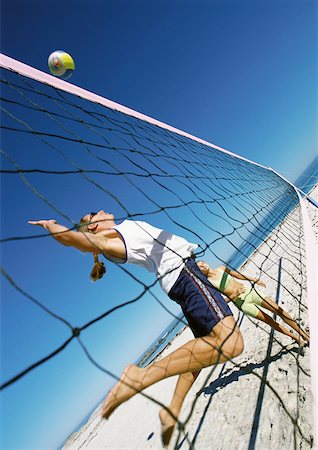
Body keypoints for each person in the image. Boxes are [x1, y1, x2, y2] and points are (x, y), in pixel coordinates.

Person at [29, 210, 244, 446]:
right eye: (93, 214)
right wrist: (51, 226)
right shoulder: (110, 239)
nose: (100, 210)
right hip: (186, 275)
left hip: (178, 282)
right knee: (231, 343)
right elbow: (78, 241)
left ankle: (172, 409)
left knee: (200, 353)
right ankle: (140, 376)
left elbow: (86, 242)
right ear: (92, 226)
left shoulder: (118, 234)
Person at [196, 260, 310, 346]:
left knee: (279, 310)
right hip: (243, 303)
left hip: (251, 292)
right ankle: (295, 338)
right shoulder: (209, 284)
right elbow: (220, 302)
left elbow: (239, 275)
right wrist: (234, 294)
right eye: (199, 267)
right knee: (270, 321)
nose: (202, 265)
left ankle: (304, 335)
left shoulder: (222, 268)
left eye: (202, 262)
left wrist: (255, 280)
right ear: (199, 271)